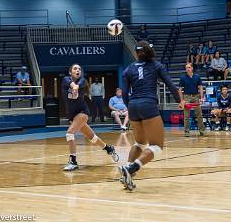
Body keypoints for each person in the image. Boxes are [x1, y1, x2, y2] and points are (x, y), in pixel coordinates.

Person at [118, 40, 184, 191]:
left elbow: (125, 94)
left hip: (133, 106)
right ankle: (132, 168)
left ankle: (126, 173)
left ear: (136, 53)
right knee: (157, 146)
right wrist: (179, 101)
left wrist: (130, 107)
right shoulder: (156, 65)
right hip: (148, 104)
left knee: (139, 143)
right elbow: (171, 85)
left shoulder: (128, 69)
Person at [62, 64, 119, 171]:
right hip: (72, 115)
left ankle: (73, 161)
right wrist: (73, 86)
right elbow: (71, 84)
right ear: (70, 72)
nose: (78, 70)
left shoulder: (83, 81)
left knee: (69, 133)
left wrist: (75, 87)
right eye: (75, 69)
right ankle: (109, 148)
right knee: (92, 138)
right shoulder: (65, 79)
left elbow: (77, 86)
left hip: (82, 112)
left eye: (79, 69)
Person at [179, 62, 205, 137]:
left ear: (192, 68)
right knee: (186, 116)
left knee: (199, 115)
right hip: (187, 97)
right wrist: (182, 100)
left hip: (196, 96)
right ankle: (187, 132)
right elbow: (180, 90)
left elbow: (200, 87)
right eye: (186, 68)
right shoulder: (182, 78)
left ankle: (202, 131)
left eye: (189, 67)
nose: (187, 69)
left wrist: (202, 97)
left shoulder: (197, 77)